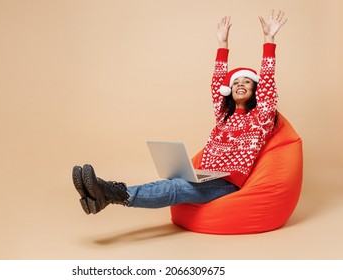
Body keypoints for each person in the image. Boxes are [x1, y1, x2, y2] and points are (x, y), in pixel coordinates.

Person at [72, 10, 287, 215]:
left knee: (175, 189)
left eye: (247, 82)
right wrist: (222, 44)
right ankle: (100, 196)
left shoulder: (261, 117)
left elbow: (268, 81)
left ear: (255, 88)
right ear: (229, 90)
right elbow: (216, 84)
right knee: (171, 184)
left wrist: (269, 40)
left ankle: (110, 192)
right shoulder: (224, 117)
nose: (240, 85)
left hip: (226, 185)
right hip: (205, 177)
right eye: (236, 82)